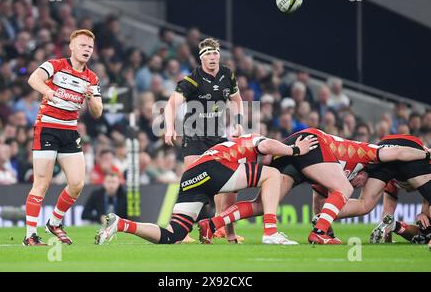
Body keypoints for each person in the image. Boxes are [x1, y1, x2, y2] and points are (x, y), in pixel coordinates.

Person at [201, 129, 430, 244]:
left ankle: (212, 223)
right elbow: (398, 152)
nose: (360, 183)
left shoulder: (330, 174)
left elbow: (320, 204)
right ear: (365, 174)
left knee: (262, 205)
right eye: (363, 181)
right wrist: (426, 153)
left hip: (297, 152)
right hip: (312, 142)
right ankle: (318, 234)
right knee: (344, 189)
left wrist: (327, 224)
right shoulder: (368, 153)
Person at [94, 133, 318, 245]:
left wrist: (230, 237)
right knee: (273, 175)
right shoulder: (252, 141)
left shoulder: (233, 156)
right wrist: (294, 149)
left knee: (174, 234)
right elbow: (268, 145)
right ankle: (271, 232)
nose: (269, 159)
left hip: (192, 175)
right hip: (212, 168)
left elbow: (228, 200)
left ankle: (121, 224)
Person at [23, 29, 103, 246]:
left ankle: (54, 222)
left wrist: (91, 98)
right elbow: (33, 78)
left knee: (77, 183)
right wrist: (48, 93)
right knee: (42, 183)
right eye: (83, 45)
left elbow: (98, 112)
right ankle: (30, 235)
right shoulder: (56, 65)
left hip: (69, 131)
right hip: (47, 127)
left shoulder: (91, 78)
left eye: (90, 47)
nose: (87, 49)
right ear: (72, 47)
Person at [164, 38, 245, 242]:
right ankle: (180, 231)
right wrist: (170, 127)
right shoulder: (192, 80)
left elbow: (237, 100)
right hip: (194, 137)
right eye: (208, 53)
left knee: (226, 183)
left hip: (217, 137)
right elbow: (171, 105)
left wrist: (238, 122)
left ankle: (222, 228)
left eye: (215, 53)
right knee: (194, 183)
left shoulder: (228, 74)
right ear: (201, 58)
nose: (212, 57)